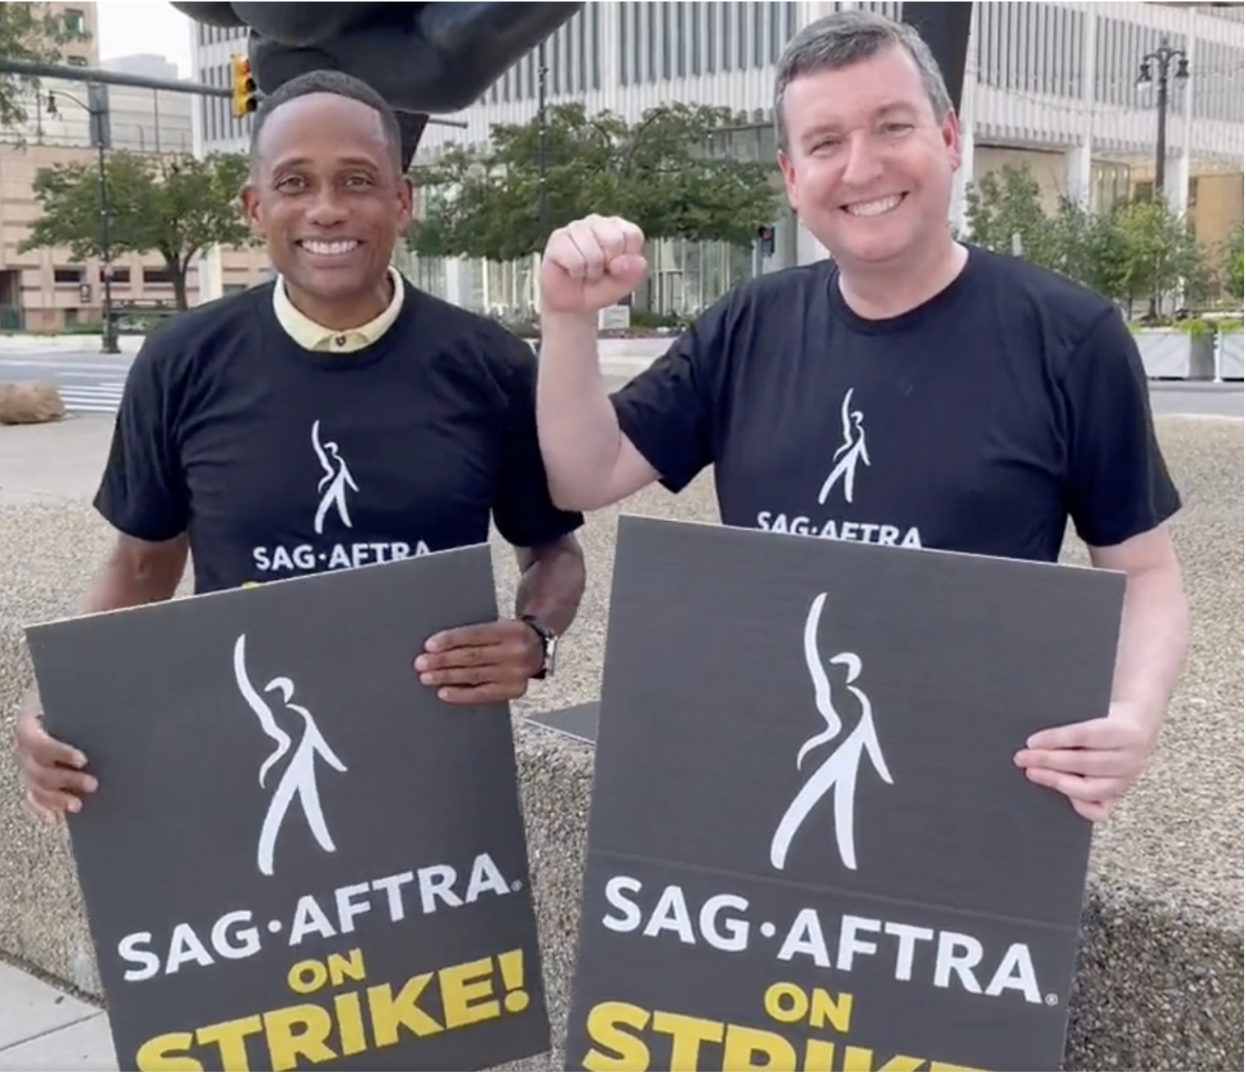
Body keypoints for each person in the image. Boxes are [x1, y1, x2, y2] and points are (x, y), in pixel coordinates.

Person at [532, 10, 1189, 823]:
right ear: (791, 175)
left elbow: (1145, 572)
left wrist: (1131, 717)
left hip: (976, 790)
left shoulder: (1069, 338)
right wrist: (567, 319)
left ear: (949, 138)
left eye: (893, 126)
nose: (862, 166)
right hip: (763, 760)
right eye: (826, 142)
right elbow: (584, 474)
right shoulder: (748, 326)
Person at [15, 69, 586, 822]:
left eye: (357, 180)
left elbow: (552, 552)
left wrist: (534, 635)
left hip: (433, 768)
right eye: (294, 182)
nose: (327, 209)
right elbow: (142, 564)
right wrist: (59, 693)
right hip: (237, 751)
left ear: (402, 200)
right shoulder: (182, 361)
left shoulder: (491, 365)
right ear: (256, 207)